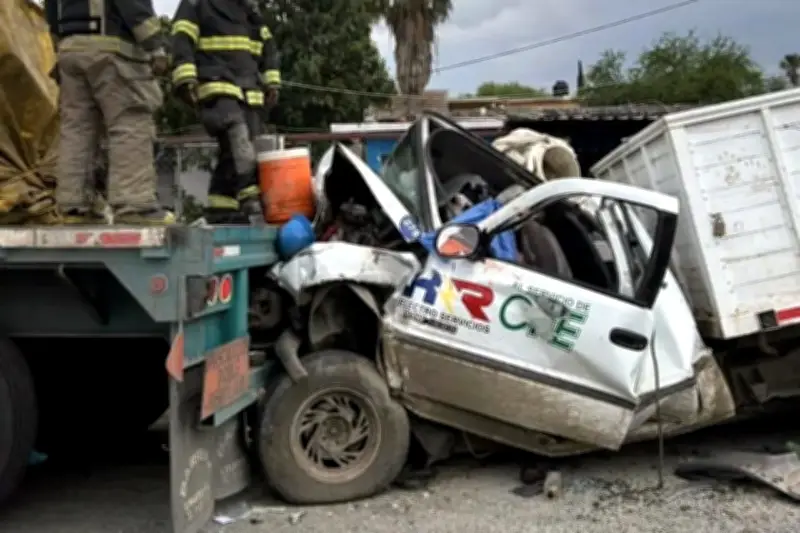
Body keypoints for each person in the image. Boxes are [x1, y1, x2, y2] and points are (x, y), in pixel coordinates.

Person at [44, 0, 174, 224]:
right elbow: (134, 5)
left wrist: (60, 44)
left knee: (76, 129)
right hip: (111, 48)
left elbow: (51, 9)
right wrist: (156, 46)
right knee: (130, 123)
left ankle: (73, 205)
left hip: (69, 49)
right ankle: (134, 205)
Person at [171, 0, 280, 224]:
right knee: (236, 133)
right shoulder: (197, 3)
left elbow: (268, 46)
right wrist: (185, 78)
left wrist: (271, 81)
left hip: (249, 90)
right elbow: (182, 37)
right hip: (215, 82)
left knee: (233, 153)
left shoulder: (249, 9)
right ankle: (250, 198)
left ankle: (221, 207)